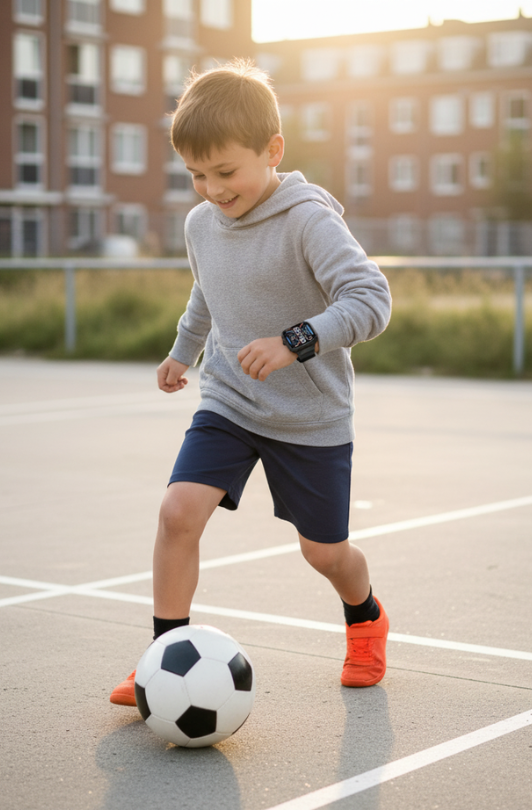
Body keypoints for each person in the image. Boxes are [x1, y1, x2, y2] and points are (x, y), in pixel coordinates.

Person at [110, 59, 392, 707]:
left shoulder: (308, 221)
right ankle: (160, 660)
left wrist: (299, 341)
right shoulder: (201, 224)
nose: (211, 189)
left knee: (325, 554)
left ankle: (366, 617)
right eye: (196, 175)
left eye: (226, 172)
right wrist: (184, 350)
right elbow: (208, 291)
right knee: (178, 513)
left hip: (309, 416)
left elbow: (371, 299)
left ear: (273, 151)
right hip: (230, 402)